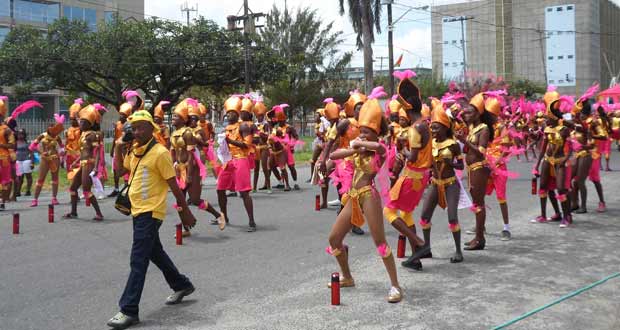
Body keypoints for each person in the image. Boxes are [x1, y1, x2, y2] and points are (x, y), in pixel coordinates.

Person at [106, 110, 197, 330]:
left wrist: (184, 210)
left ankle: (128, 310)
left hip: (151, 212)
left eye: (140, 127)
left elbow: (174, 185)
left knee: (138, 260)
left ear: (151, 129)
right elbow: (118, 171)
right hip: (137, 211)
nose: (136, 131)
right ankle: (182, 285)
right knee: (154, 252)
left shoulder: (160, 152)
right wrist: (118, 146)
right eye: (133, 128)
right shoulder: (135, 151)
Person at [326, 86, 402, 303]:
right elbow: (334, 154)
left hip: (369, 195)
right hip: (353, 196)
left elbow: (378, 148)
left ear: (375, 133)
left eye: (367, 132)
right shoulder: (358, 149)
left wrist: (361, 143)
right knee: (334, 239)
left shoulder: (379, 149)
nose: (361, 134)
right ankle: (347, 277)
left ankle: (396, 286)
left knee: (380, 242)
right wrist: (353, 149)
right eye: (360, 131)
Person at [383, 71, 430, 270]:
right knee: (407, 213)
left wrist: (401, 150)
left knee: (388, 210)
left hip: (412, 176)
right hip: (422, 177)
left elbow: (413, 157)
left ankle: (419, 243)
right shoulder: (425, 125)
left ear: (407, 109)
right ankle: (415, 257)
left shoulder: (414, 129)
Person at [415, 99, 465, 264]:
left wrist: (452, 164)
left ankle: (458, 251)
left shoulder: (453, 145)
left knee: (452, 218)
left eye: (436, 127)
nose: (433, 130)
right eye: (432, 127)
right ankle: (426, 248)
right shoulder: (430, 144)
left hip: (451, 184)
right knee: (424, 217)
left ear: (445, 127)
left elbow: (461, 164)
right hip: (435, 183)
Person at [455, 93, 495, 250]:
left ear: (478, 114)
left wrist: (465, 141)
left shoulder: (484, 129)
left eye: (470, 112)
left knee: (479, 204)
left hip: (479, 167)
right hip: (472, 168)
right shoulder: (472, 128)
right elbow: (468, 149)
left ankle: (480, 239)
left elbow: (481, 152)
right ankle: (478, 237)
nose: (466, 114)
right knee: (477, 203)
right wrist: (462, 141)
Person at [532, 89, 573, 228]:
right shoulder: (547, 129)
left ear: (554, 117)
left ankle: (567, 216)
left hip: (560, 161)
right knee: (544, 187)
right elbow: (543, 148)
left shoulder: (564, 129)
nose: (545, 120)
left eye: (548, 118)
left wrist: (565, 159)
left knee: (561, 189)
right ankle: (543, 215)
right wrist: (537, 165)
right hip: (547, 160)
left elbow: (572, 147)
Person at [217, 95, 256, 231]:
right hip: (228, 161)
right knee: (220, 189)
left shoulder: (244, 126)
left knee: (244, 192)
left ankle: (251, 221)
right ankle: (224, 216)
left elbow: (247, 145)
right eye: (228, 113)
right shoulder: (225, 129)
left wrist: (230, 141)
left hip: (241, 160)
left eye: (232, 113)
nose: (229, 115)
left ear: (238, 113)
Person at [63, 104, 105, 220]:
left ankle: (99, 214)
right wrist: (76, 161)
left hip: (89, 164)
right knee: (73, 188)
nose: (80, 124)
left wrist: (96, 168)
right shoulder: (82, 134)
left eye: (83, 122)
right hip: (82, 163)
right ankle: (73, 212)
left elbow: (96, 153)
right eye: (80, 121)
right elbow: (83, 152)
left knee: (86, 190)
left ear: (89, 124)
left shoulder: (92, 135)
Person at [30, 115, 65, 207]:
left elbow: (62, 147)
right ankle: (35, 199)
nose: (53, 132)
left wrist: (62, 153)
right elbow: (32, 146)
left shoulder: (57, 137)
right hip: (45, 159)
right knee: (41, 179)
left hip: (55, 158)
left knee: (55, 179)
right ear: (48, 129)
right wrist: (41, 152)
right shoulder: (43, 135)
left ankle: (54, 198)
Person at [108, 102, 132, 197]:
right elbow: (115, 137)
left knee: (126, 168)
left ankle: (127, 187)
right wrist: (112, 148)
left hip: (125, 150)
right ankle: (116, 188)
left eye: (123, 115)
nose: (121, 117)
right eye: (120, 115)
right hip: (117, 149)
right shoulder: (118, 124)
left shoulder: (128, 125)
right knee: (115, 169)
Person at [253, 98, 272, 193]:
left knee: (264, 167)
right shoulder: (254, 125)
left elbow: (266, 136)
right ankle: (254, 188)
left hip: (264, 147)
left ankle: (268, 187)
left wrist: (261, 134)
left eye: (261, 115)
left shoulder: (266, 125)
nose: (259, 117)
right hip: (256, 148)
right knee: (256, 168)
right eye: (258, 115)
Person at [65, 100, 82, 180]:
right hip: (69, 154)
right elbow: (67, 141)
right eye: (71, 119)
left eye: (74, 119)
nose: (72, 121)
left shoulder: (81, 129)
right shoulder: (69, 129)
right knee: (70, 173)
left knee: (79, 172)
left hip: (78, 154)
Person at [14, 129, 34, 197]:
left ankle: (28, 190)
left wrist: (32, 162)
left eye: (22, 134)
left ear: (24, 135)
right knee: (19, 177)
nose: (20, 135)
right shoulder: (15, 143)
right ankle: (18, 191)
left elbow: (31, 152)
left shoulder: (27, 143)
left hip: (26, 160)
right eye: (19, 134)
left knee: (28, 176)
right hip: (18, 160)